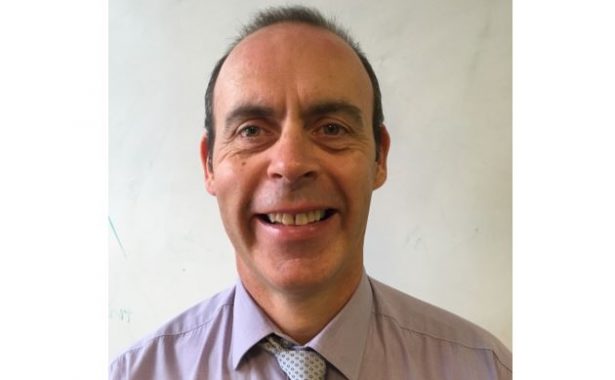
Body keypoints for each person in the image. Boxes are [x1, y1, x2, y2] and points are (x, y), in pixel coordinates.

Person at [109, 5, 511, 380]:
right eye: (251, 130)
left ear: (379, 157)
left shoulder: (484, 368)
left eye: (332, 128)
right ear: (209, 165)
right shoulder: (136, 372)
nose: (291, 163)